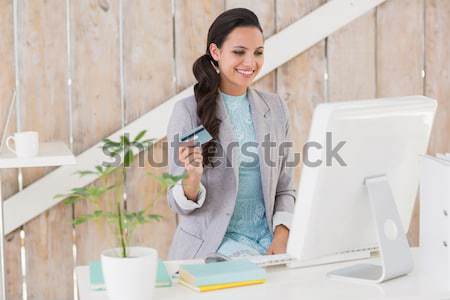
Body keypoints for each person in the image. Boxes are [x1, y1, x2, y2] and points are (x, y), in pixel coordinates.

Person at [166, 8, 295, 260]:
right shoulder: (188, 112)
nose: (250, 63)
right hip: (214, 246)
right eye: (239, 52)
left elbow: (285, 187)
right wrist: (192, 178)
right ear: (216, 52)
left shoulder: (276, 108)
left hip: (268, 244)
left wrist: (281, 238)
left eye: (258, 53)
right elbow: (177, 203)